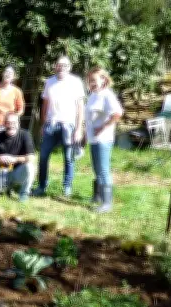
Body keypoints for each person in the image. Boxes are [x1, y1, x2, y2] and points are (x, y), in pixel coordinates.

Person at [33, 56, 86, 198]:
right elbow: (45, 104)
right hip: (51, 124)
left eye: (65, 65)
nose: (61, 68)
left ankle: (67, 187)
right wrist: (43, 124)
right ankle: (42, 186)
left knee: (69, 157)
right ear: (55, 67)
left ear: (69, 67)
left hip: (69, 125)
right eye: (59, 65)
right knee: (43, 156)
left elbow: (80, 107)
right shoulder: (49, 82)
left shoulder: (76, 82)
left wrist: (79, 128)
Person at [85, 67, 124, 213]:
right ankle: (97, 197)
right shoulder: (93, 95)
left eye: (94, 80)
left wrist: (103, 127)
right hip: (93, 139)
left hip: (103, 139)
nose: (92, 83)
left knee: (103, 170)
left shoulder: (107, 95)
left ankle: (107, 203)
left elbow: (118, 113)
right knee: (96, 169)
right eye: (90, 80)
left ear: (103, 79)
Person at [0, 113, 37, 202]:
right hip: (3, 169)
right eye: (8, 123)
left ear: (18, 123)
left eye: (14, 123)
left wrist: (15, 159)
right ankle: (7, 187)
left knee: (30, 167)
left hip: (19, 170)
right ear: (4, 124)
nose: (11, 125)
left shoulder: (25, 134)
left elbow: (32, 157)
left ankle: (24, 193)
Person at [0, 66, 25, 135]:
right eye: (6, 72)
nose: (8, 74)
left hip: (12, 127)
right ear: (2, 74)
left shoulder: (17, 91)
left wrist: (12, 118)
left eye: (10, 73)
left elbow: (21, 109)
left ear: (13, 77)